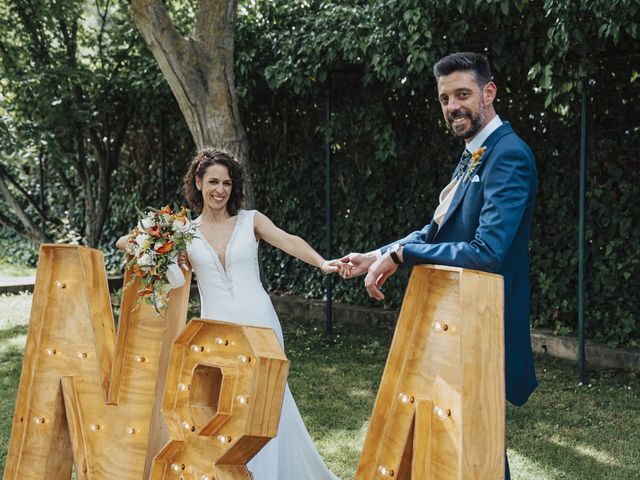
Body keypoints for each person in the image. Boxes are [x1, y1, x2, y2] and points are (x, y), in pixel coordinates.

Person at [339, 52, 538, 479]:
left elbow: (487, 252)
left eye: (463, 94)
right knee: (455, 443)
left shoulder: (509, 156)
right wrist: (378, 254)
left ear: (489, 92)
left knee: (475, 447)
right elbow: (436, 230)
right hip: (451, 321)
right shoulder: (472, 155)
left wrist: (402, 255)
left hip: (484, 326)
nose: (452, 107)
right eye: (445, 98)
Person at [118, 148, 342, 480]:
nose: (220, 190)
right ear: (198, 183)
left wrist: (323, 263)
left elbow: (288, 240)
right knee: (227, 408)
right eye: (213, 182)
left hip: (260, 324)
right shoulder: (183, 232)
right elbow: (125, 242)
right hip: (217, 332)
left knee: (269, 403)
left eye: (226, 183)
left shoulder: (251, 220)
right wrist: (159, 247)